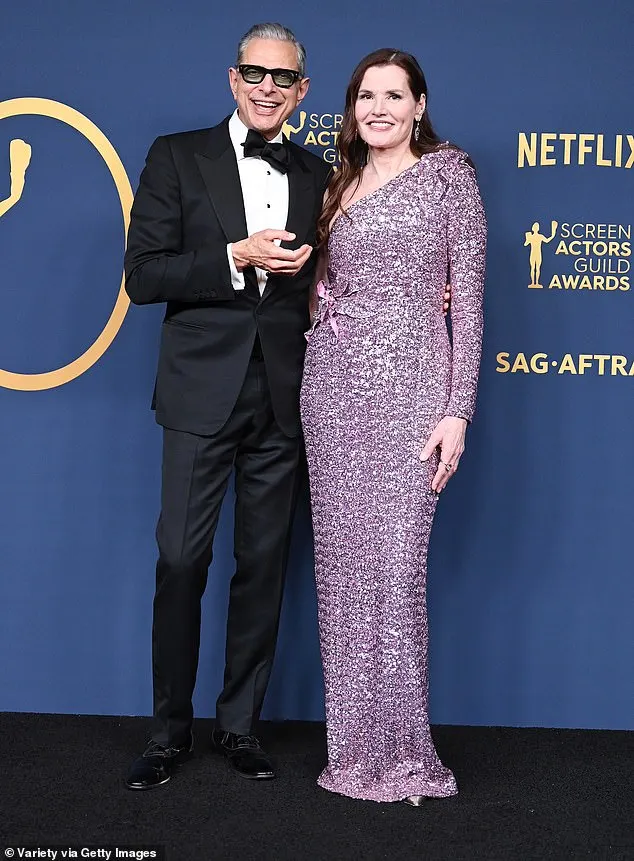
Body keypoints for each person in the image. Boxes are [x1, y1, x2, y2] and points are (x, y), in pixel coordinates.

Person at [123, 23, 331, 790]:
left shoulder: (317, 173)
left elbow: (337, 280)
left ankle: (240, 725)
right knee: (181, 559)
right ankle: (168, 730)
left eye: (284, 78)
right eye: (255, 73)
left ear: (302, 90)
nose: (268, 87)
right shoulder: (178, 155)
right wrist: (234, 257)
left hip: (285, 394)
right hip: (199, 392)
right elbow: (143, 275)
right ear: (233, 79)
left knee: (263, 566)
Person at [300, 49, 486, 805]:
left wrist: (457, 408)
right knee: (344, 577)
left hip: (413, 394)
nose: (377, 107)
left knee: (396, 570)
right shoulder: (336, 182)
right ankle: (352, 754)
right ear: (352, 108)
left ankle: (404, 753)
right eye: (364, 95)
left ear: (418, 104)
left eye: (392, 94)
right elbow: (325, 285)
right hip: (333, 394)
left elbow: (468, 302)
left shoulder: (450, 180)